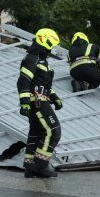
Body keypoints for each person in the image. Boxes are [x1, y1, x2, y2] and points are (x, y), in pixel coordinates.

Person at [17, 28, 63, 179]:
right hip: (36, 102)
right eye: (51, 44)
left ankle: (30, 166)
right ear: (44, 41)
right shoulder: (32, 58)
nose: (52, 48)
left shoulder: (41, 60)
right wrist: (24, 102)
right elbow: (23, 81)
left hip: (39, 100)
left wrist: (54, 96)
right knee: (53, 130)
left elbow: (44, 84)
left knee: (36, 133)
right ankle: (40, 165)